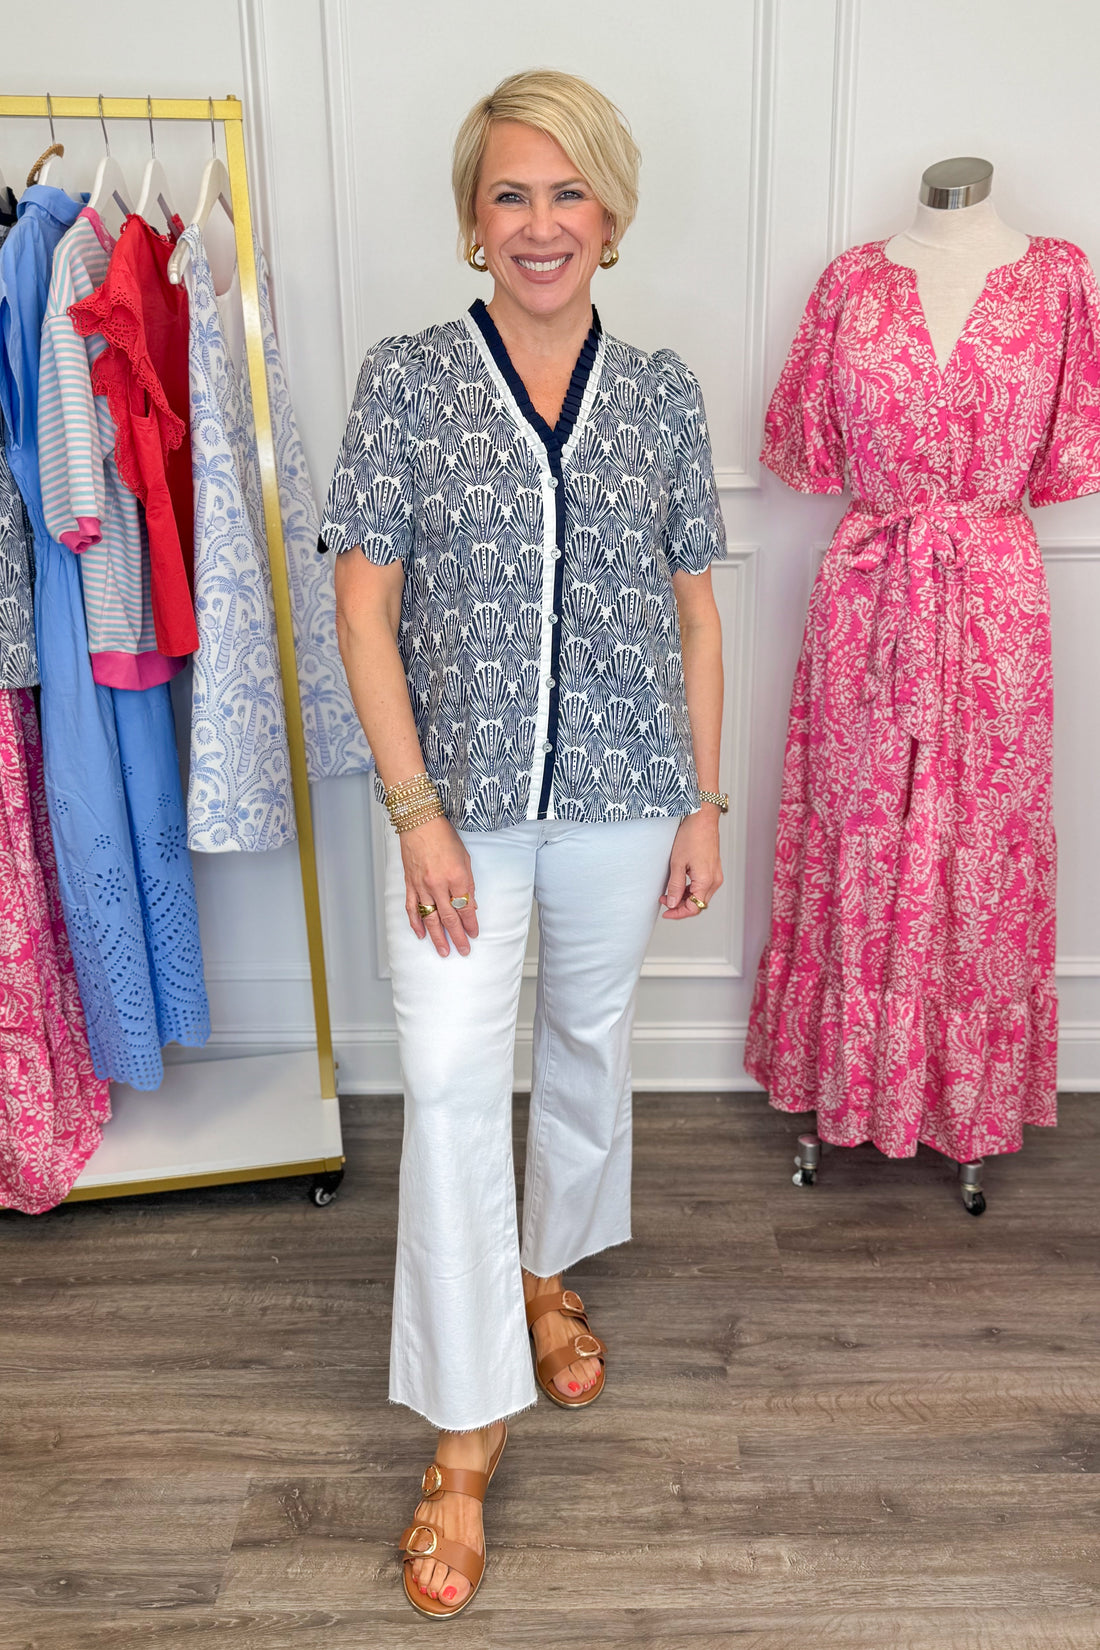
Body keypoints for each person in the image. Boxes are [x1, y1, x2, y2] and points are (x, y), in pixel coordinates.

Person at [321, 68, 728, 1619]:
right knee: (441, 1078)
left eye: (568, 193)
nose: (540, 223)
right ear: (472, 219)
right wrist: (417, 808)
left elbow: (694, 603)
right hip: (459, 812)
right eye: (510, 193)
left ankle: (549, 1266)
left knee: (586, 1034)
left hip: (628, 794)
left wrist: (699, 797)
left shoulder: (667, 391)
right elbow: (363, 609)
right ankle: (464, 1423)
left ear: (610, 215)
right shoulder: (412, 378)